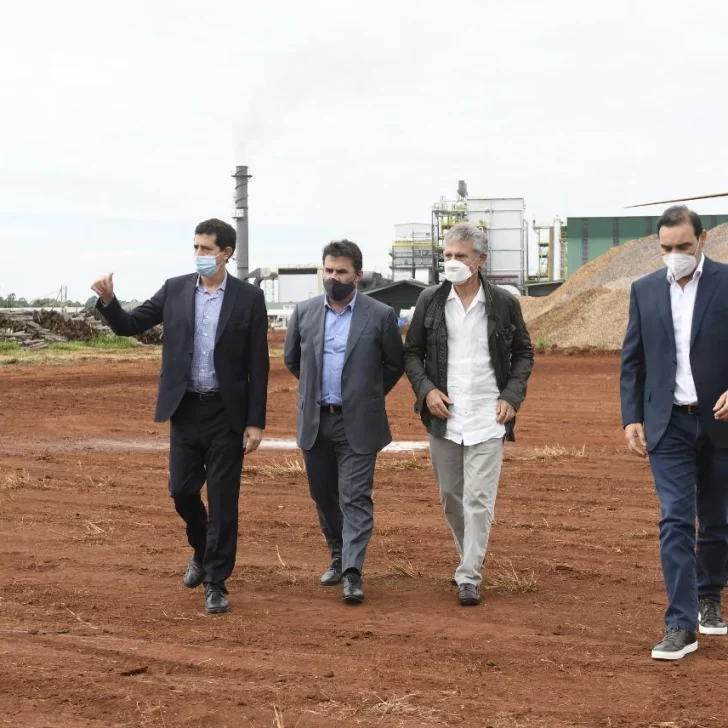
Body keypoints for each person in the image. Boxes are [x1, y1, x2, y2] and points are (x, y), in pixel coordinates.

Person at [91, 218, 269, 615]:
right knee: (182, 490)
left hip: (228, 413)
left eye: (206, 249)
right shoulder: (174, 290)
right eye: (195, 248)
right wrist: (108, 301)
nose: (199, 255)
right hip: (185, 409)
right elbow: (130, 325)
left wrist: (255, 421)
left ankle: (216, 582)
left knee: (224, 500)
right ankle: (202, 550)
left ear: (227, 253)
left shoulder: (247, 299)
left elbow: (259, 363)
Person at [404, 222, 533, 607]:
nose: (453, 262)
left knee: (478, 499)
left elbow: (524, 352)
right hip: (444, 417)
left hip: (488, 415)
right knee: (450, 498)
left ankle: (469, 575)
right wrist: (426, 391)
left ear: (481, 259)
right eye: (447, 256)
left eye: (460, 256)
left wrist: (512, 396)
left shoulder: (504, 303)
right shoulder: (430, 300)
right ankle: (469, 558)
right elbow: (411, 353)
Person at [621, 205, 728, 660]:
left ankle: (709, 597)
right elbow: (633, 359)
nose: (675, 255)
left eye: (683, 247)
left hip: (721, 421)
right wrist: (632, 417)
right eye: (666, 248)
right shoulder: (644, 290)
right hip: (668, 423)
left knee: (718, 519)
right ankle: (680, 625)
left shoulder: (726, 282)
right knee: (676, 520)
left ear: (703, 240)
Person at [283, 239, 405, 604]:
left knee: (355, 497)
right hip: (316, 421)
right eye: (329, 270)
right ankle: (337, 554)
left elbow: (394, 364)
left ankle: (352, 571)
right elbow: (294, 361)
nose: (334, 277)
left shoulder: (379, 315)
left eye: (342, 272)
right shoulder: (303, 313)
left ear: (358, 276)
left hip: (358, 423)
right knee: (324, 496)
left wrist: (366, 396)